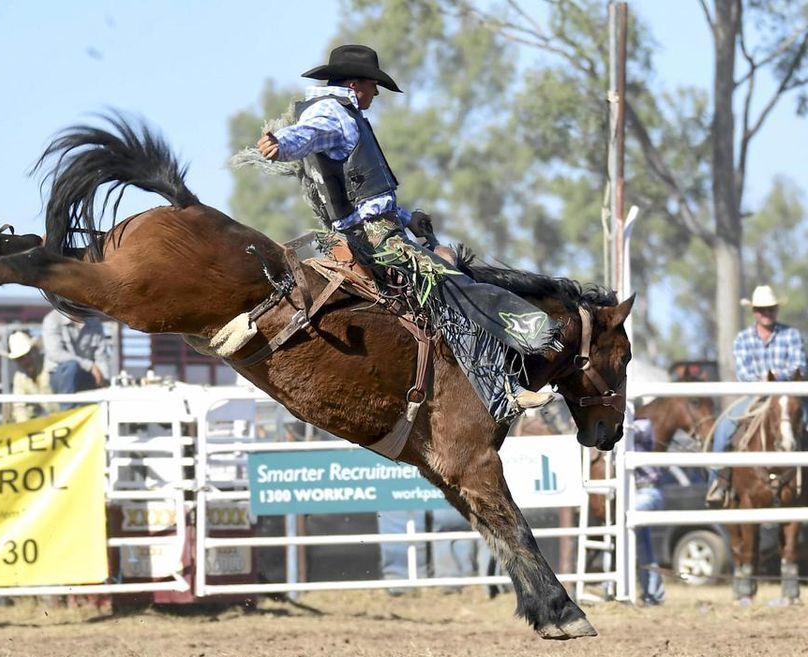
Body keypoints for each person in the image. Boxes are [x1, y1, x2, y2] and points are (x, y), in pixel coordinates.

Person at [255, 44, 558, 421]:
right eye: (372, 85)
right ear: (354, 84)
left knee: (446, 278)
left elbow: (361, 192)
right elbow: (307, 135)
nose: (376, 93)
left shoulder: (341, 112)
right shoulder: (334, 114)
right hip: (375, 239)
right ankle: (514, 370)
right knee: (453, 287)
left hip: (369, 231)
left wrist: (406, 217)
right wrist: (281, 144)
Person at [707, 285, 807, 504]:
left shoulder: (791, 335)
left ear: (776, 310)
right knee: (724, 428)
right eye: (762, 309)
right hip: (756, 396)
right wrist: (771, 380)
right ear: (754, 312)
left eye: (770, 309)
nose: (766, 313)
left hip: (789, 396)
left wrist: (774, 379)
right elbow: (745, 374)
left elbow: (800, 367)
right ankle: (718, 483)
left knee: (804, 421)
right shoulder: (743, 339)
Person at [41, 308, 112, 410]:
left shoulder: (94, 321)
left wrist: (104, 380)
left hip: (86, 375)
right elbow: (56, 354)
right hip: (59, 376)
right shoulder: (52, 319)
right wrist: (90, 366)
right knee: (71, 367)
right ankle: (67, 413)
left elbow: (101, 356)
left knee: (104, 388)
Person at [631, 417, 665, 605]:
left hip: (649, 491)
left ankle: (609, 584)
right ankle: (653, 593)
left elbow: (635, 431)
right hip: (635, 492)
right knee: (643, 544)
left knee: (624, 521)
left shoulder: (643, 424)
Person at [4, 330, 59, 422]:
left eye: (28, 355)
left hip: (65, 417)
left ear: (35, 351)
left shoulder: (50, 366)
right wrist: (24, 427)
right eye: (20, 359)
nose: (26, 361)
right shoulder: (20, 377)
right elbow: (19, 406)